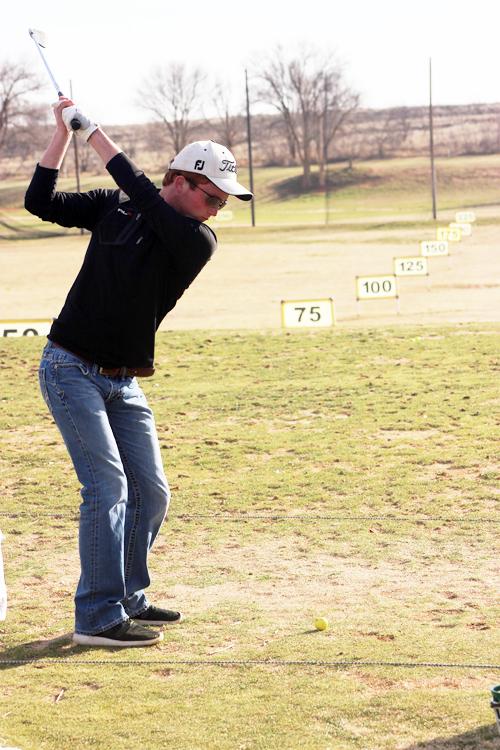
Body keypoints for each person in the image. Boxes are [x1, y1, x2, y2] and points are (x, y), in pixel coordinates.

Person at [25, 98, 252, 648]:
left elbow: (149, 199)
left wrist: (95, 134)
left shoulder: (197, 241)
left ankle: (128, 596)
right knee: (107, 488)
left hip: (123, 382)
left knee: (150, 492)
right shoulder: (115, 207)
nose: (218, 209)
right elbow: (40, 201)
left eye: (224, 202)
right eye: (213, 196)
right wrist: (64, 134)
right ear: (183, 178)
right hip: (69, 368)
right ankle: (97, 618)